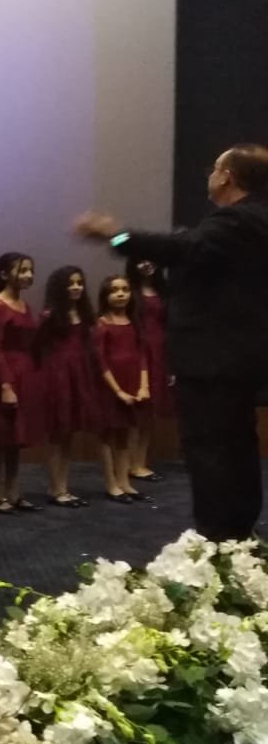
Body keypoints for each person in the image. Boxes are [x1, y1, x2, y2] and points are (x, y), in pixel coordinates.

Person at [75, 144, 268, 540]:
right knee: (235, 445)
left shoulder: (237, 220)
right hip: (236, 357)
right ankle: (237, 536)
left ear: (228, 176)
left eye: (214, 168)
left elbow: (183, 248)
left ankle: (219, 539)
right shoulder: (252, 220)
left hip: (213, 359)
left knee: (211, 449)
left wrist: (115, 236)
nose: (209, 174)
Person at [0, 252, 44, 514]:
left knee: (16, 439)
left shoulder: (24, 305)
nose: (28, 275)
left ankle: (14, 492)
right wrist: (6, 385)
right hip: (3, 374)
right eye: (22, 270)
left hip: (24, 372)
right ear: (4, 274)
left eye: (30, 270)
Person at [35, 265, 98, 506]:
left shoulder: (83, 313)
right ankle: (55, 488)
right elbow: (37, 347)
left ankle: (63, 486)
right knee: (57, 434)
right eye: (71, 283)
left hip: (77, 375)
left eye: (79, 283)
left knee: (69, 433)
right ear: (60, 287)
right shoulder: (50, 315)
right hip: (58, 376)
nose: (76, 287)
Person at [91, 275, 152, 504]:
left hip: (132, 383)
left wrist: (144, 386)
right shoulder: (101, 324)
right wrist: (117, 391)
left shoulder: (134, 322)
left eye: (125, 289)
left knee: (125, 433)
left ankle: (124, 482)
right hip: (110, 386)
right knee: (108, 434)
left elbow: (142, 356)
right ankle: (111, 484)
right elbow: (100, 362)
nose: (120, 294)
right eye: (114, 290)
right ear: (105, 295)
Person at [125, 258, 171, 482]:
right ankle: (128, 463)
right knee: (136, 412)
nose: (147, 264)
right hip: (137, 350)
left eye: (151, 258)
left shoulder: (164, 291)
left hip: (160, 352)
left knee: (150, 413)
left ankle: (141, 462)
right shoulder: (128, 291)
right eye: (141, 259)